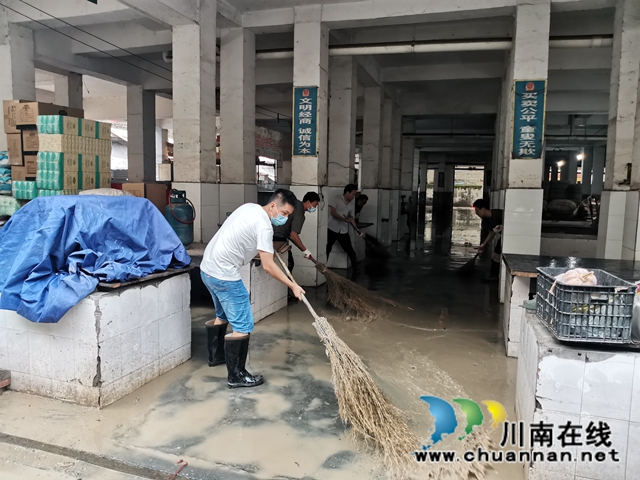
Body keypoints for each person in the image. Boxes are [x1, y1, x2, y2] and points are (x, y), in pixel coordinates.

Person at [201, 189, 305, 389]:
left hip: (207, 270)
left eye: (288, 216)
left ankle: (216, 357)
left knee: (222, 314)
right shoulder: (265, 226)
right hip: (224, 275)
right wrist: (293, 285)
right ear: (273, 205)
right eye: (284, 213)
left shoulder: (250, 208)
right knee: (243, 325)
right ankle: (237, 375)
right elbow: (268, 265)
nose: (285, 218)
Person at [272, 191, 321, 302]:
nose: (314, 208)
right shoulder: (299, 212)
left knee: (288, 263)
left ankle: (285, 292)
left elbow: (291, 235)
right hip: (277, 238)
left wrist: (304, 250)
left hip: (276, 235)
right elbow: (294, 235)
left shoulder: (295, 204)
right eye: (315, 205)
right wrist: (305, 250)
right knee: (289, 264)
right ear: (308, 202)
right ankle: (285, 294)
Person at [327, 184, 363, 273]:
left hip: (343, 231)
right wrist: (344, 219)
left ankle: (356, 270)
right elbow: (333, 213)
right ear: (347, 192)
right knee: (327, 249)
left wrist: (357, 230)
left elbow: (351, 218)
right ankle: (323, 268)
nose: (354, 197)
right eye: (353, 194)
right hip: (332, 228)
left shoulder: (351, 205)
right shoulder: (337, 198)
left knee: (351, 251)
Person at [473, 199, 504, 282]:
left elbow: (511, 222)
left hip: (509, 236)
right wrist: (483, 245)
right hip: (503, 237)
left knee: (496, 256)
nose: (476, 213)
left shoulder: (498, 214)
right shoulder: (486, 220)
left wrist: (502, 227)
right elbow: (491, 233)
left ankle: (494, 276)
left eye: (477, 211)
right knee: (495, 256)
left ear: (483, 209)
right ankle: (494, 276)